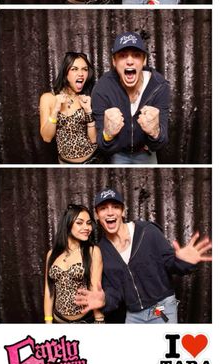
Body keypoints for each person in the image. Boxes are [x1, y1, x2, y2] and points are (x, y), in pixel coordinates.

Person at [75, 188, 212, 324]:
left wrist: (183, 261)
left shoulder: (147, 231)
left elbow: (170, 263)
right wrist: (104, 300)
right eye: (103, 208)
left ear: (123, 211)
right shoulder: (101, 250)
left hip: (161, 308)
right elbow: (114, 291)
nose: (110, 212)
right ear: (97, 215)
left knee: (165, 345)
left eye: (115, 207)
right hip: (134, 315)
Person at [92, 32, 170, 164]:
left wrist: (155, 132)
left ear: (144, 60)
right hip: (118, 153)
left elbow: (161, 143)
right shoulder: (102, 88)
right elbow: (102, 145)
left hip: (146, 153)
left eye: (136, 55)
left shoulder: (159, 86)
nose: (129, 61)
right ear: (114, 61)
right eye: (122, 56)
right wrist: (108, 134)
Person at [44, 204, 104, 323]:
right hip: (58, 320)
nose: (87, 227)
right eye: (80, 223)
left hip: (84, 320)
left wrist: (99, 320)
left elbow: (95, 290)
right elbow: (48, 290)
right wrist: (48, 321)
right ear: (68, 224)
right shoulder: (51, 254)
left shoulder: (93, 252)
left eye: (88, 223)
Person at [40, 52, 104, 164]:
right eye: (74, 69)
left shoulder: (88, 98)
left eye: (84, 69)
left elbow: (94, 139)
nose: (81, 74)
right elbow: (47, 137)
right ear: (65, 73)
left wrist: (88, 111)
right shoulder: (48, 98)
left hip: (94, 160)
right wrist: (55, 110)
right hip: (65, 164)